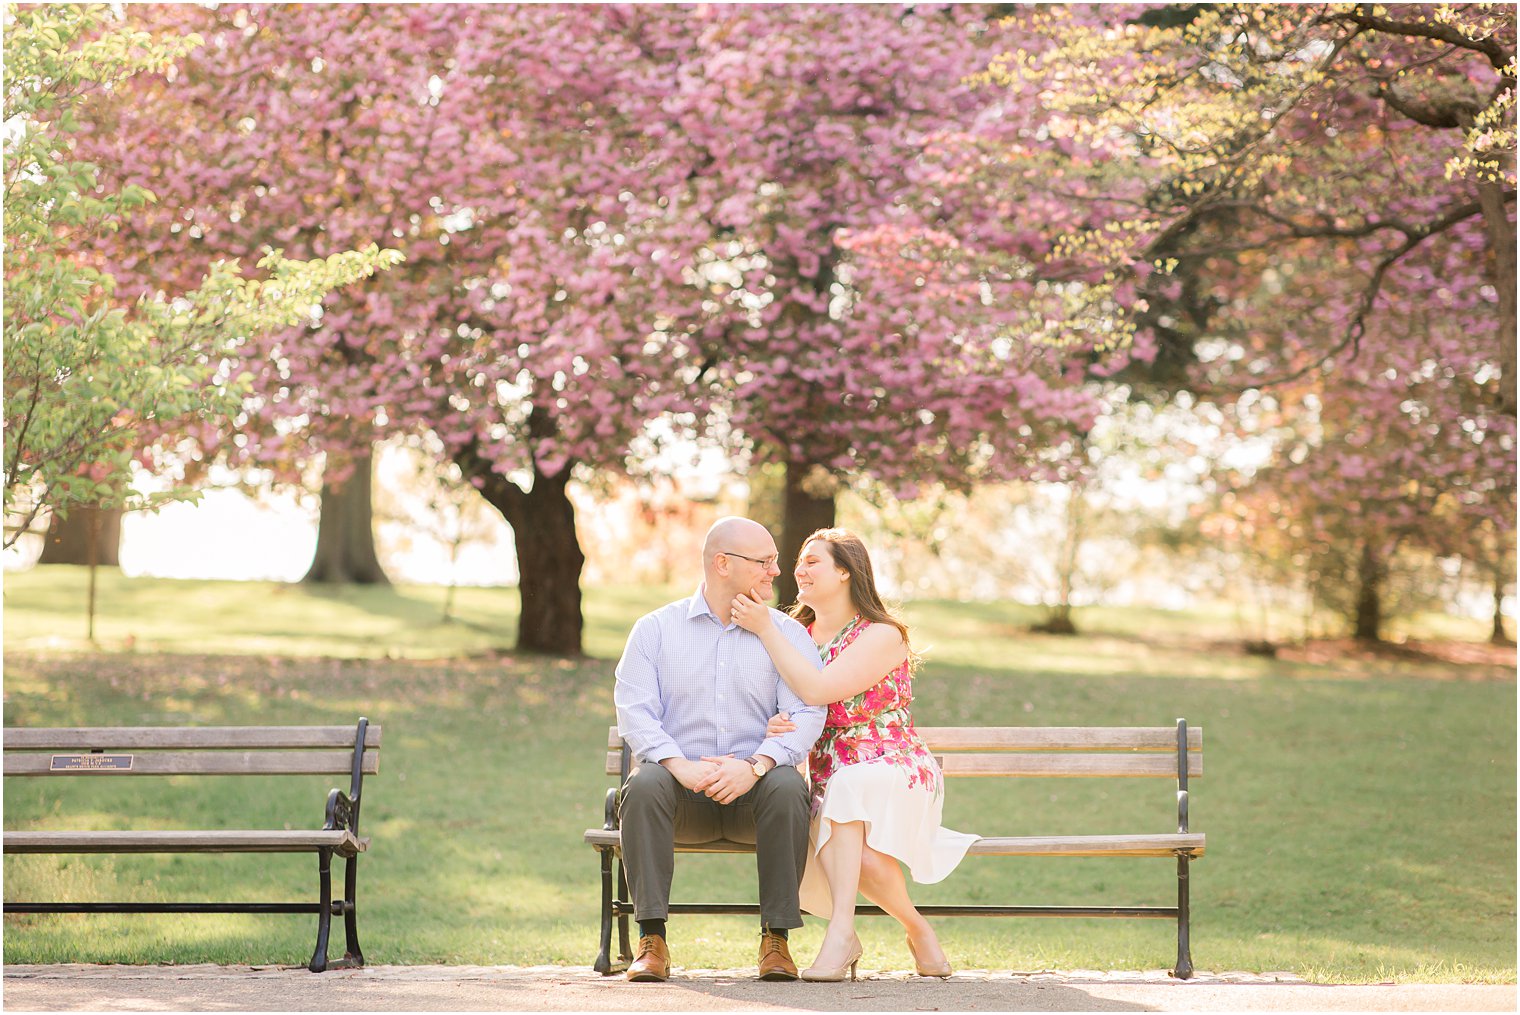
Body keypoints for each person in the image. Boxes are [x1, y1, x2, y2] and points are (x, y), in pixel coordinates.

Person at [730, 527, 978, 982]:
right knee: (855, 854)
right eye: (798, 562)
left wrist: (764, 627)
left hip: (893, 764)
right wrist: (775, 723)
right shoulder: (793, 634)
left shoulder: (883, 635)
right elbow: (786, 703)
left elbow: (820, 689)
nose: (797, 570)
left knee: (846, 794)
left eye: (812, 561)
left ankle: (841, 932)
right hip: (830, 771)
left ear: (845, 571)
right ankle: (917, 928)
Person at [613, 517, 827, 983]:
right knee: (646, 781)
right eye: (764, 561)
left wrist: (756, 764)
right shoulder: (655, 630)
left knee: (788, 784)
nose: (776, 570)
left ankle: (777, 940)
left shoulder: (787, 634)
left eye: (775, 561)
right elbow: (634, 711)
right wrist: (679, 765)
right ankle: (652, 940)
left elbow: (809, 711)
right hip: (680, 797)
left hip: (757, 797)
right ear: (722, 563)